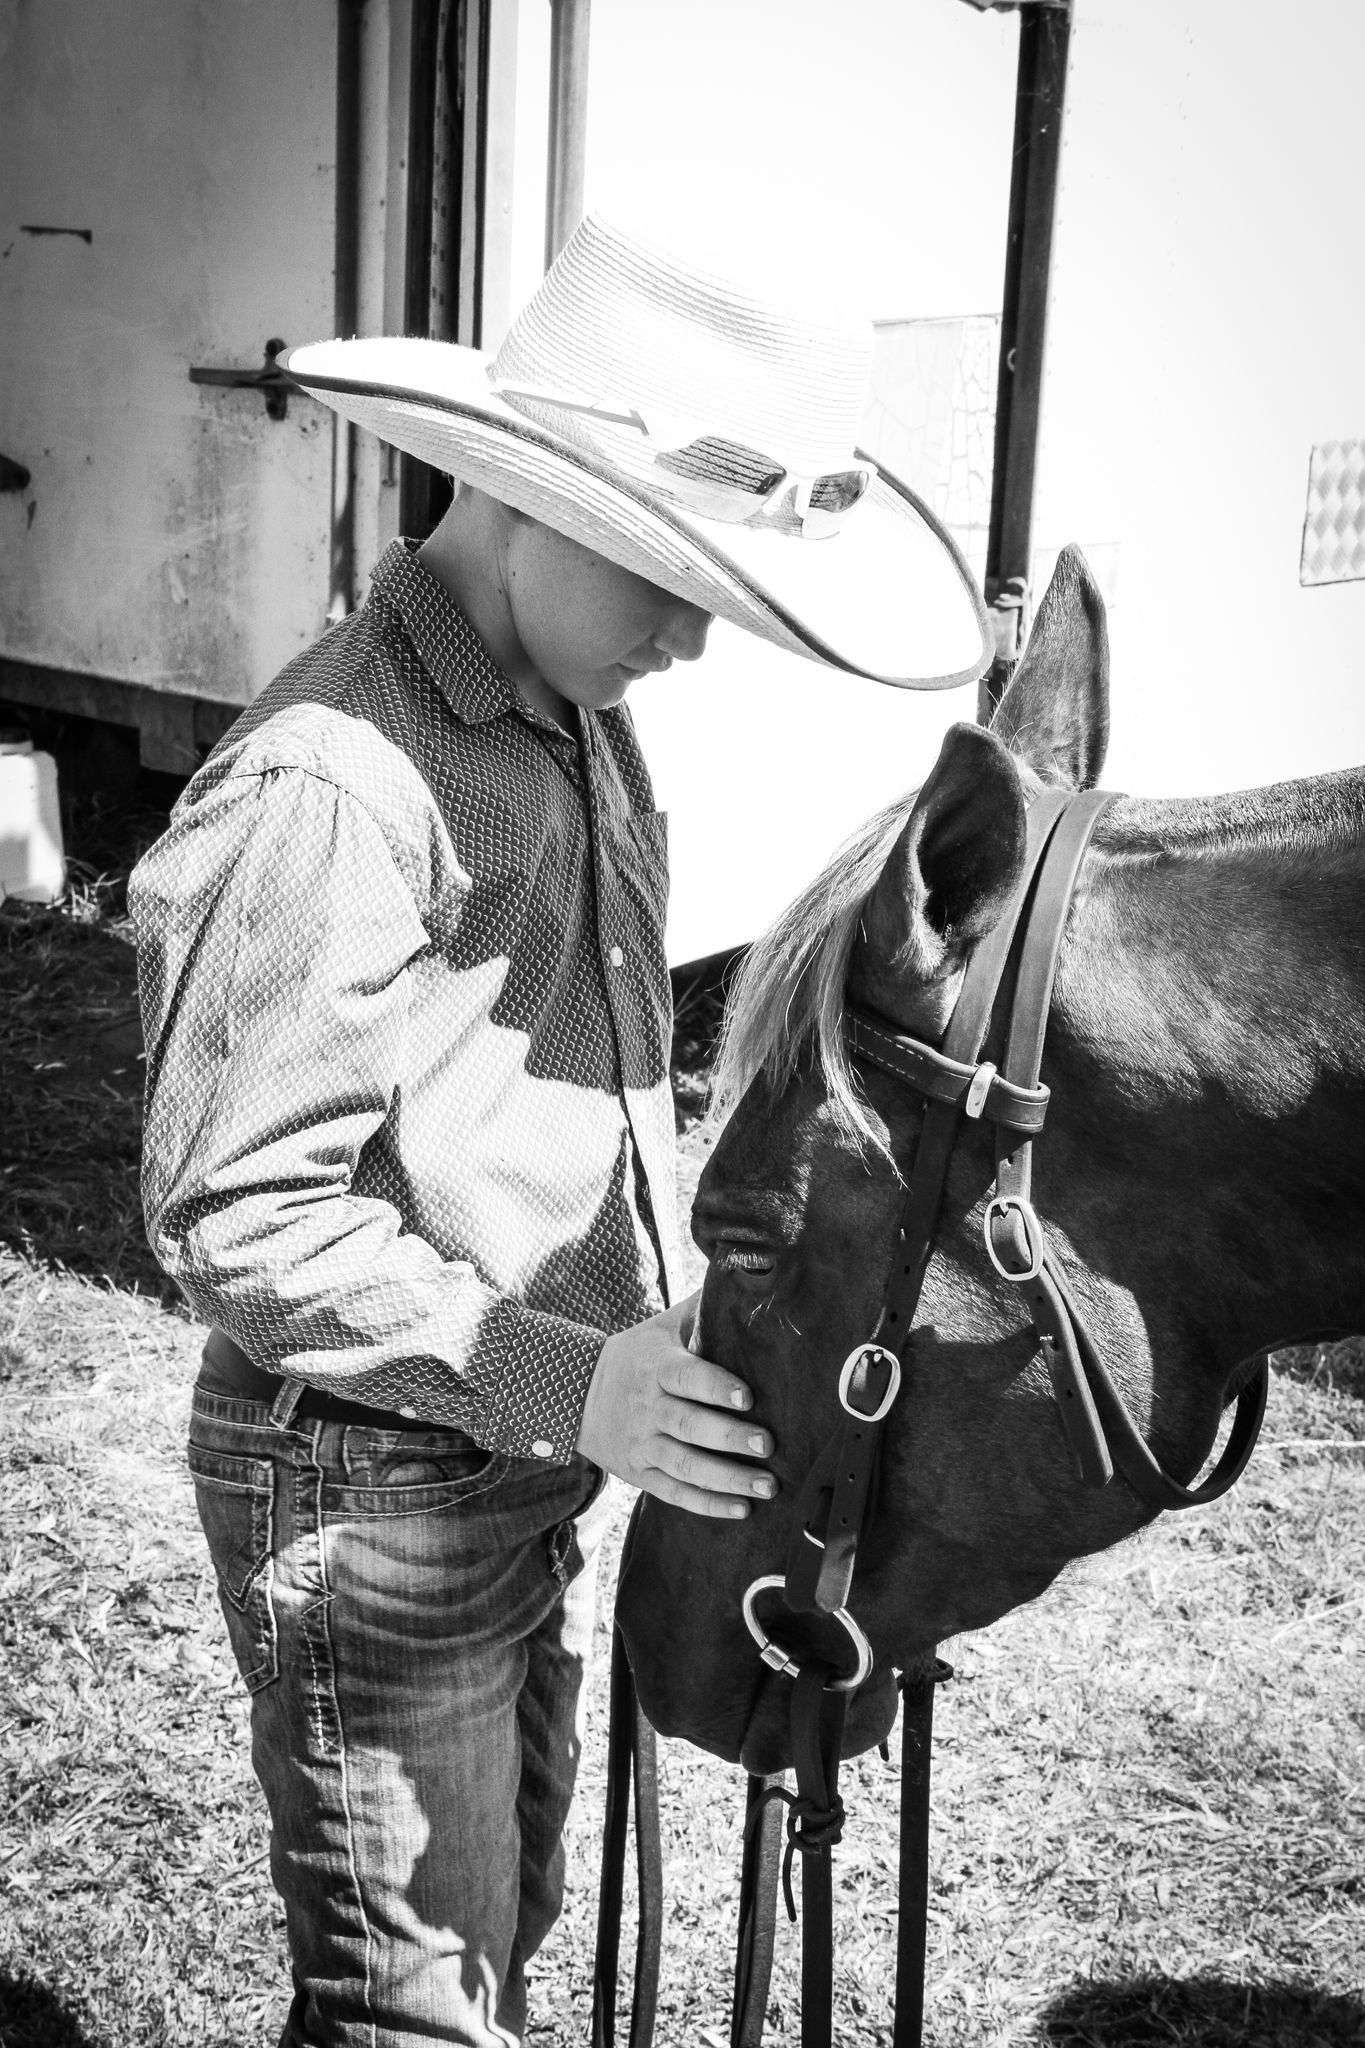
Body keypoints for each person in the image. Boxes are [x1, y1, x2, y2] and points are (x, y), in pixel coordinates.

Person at [130, 212, 989, 2048]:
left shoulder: (569, 710)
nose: (692, 636)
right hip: (368, 1470)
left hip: (514, 1448)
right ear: (525, 498)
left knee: (496, 1925)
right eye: (665, 579)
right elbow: (236, 1212)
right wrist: (565, 1376)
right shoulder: (333, 785)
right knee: (413, 2002)